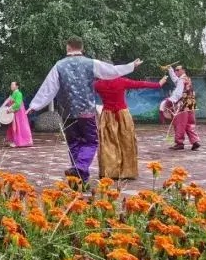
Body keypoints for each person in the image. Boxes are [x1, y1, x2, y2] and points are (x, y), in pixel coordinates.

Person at [26, 37, 141, 184]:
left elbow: (48, 88)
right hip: (86, 111)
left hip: (67, 112)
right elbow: (112, 71)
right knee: (90, 142)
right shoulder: (90, 63)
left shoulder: (59, 65)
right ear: (82, 48)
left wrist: (34, 106)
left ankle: (80, 179)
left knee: (73, 143)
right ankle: (80, 168)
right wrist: (131, 66)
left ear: (68, 48)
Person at [94, 71, 162, 180]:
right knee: (127, 141)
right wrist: (157, 84)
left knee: (108, 143)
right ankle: (128, 171)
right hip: (123, 115)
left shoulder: (98, 84)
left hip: (107, 115)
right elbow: (140, 84)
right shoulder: (121, 81)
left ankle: (110, 171)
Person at [164, 64, 201, 150]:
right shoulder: (186, 78)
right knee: (190, 123)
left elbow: (178, 93)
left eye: (177, 70)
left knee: (179, 123)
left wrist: (170, 100)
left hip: (182, 103)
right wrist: (170, 69)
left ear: (183, 70)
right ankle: (195, 141)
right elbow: (175, 80)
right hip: (190, 102)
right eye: (175, 70)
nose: (176, 71)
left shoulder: (181, 80)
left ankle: (179, 143)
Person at [3, 81, 33, 147]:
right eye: (11, 85)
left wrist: (10, 108)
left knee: (18, 126)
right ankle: (14, 140)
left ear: (17, 86)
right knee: (14, 126)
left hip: (18, 113)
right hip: (14, 111)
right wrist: (4, 107)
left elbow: (17, 104)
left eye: (12, 85)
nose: (11, 86)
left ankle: (18, 142)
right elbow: (9, 100)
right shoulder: (13, 93)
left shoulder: (18, 93)